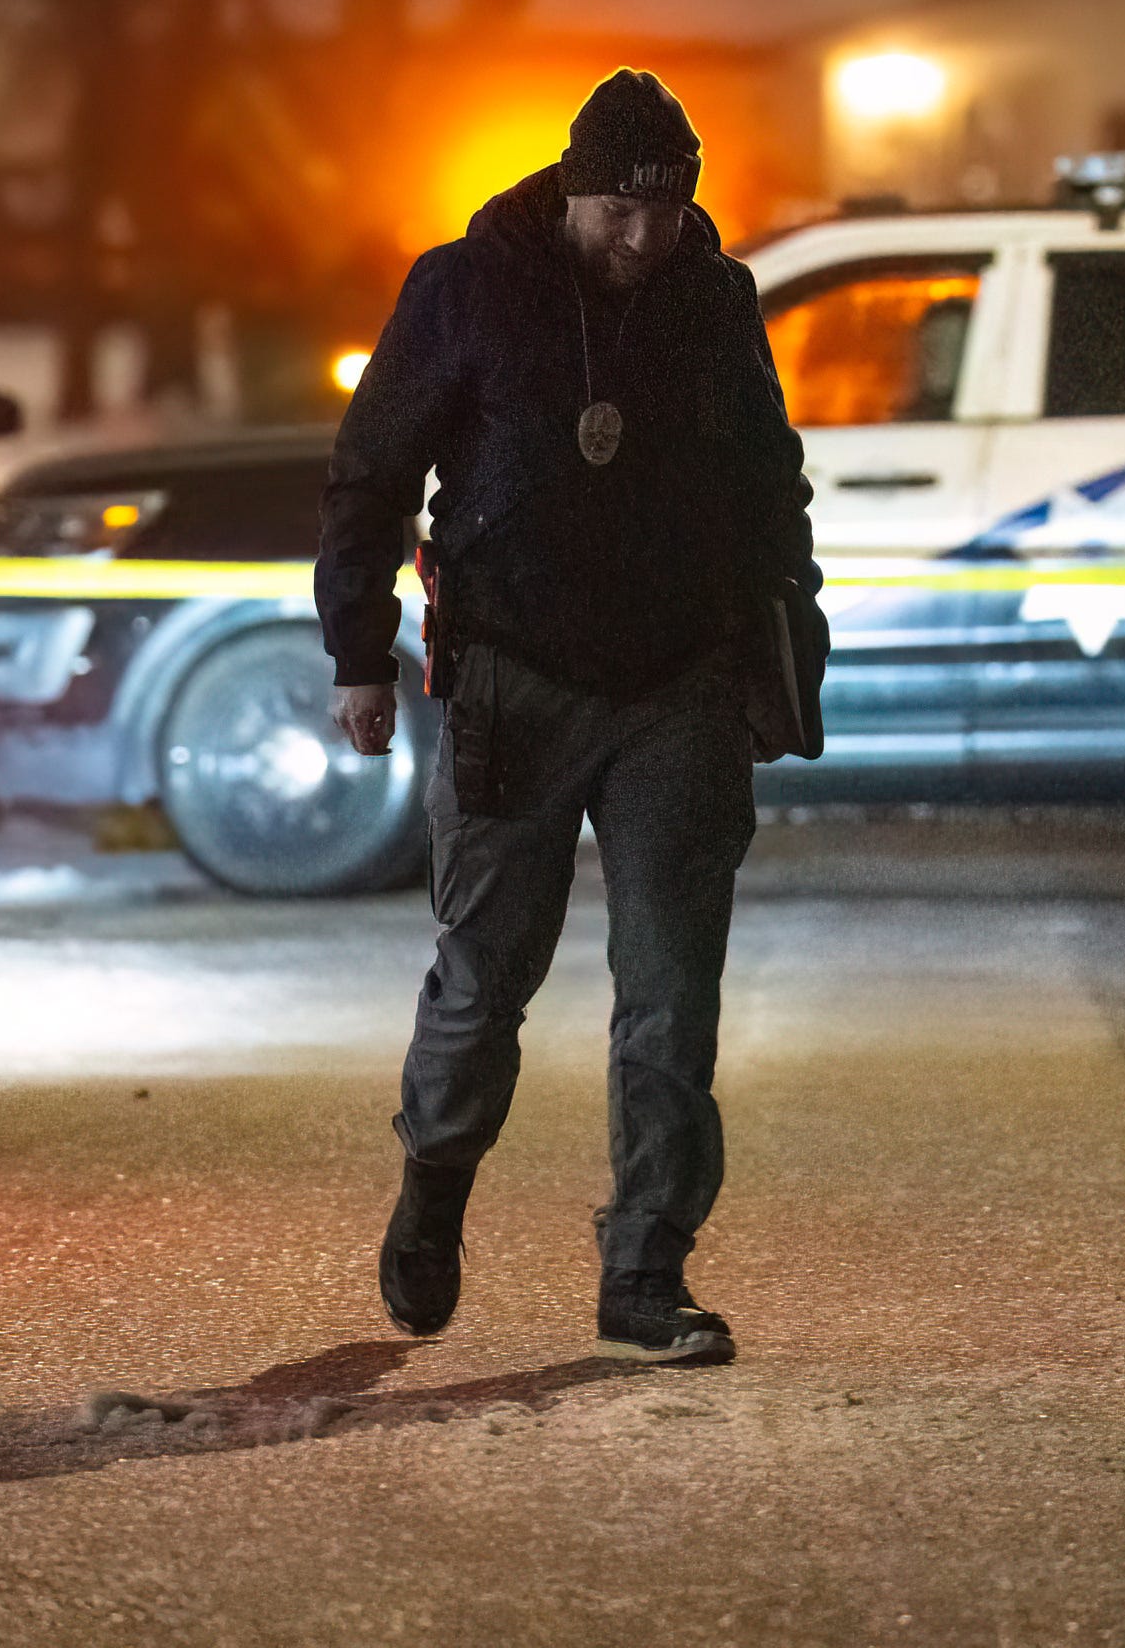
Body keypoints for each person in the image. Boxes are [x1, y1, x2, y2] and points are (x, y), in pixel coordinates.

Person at [316, 69, 819, 1365]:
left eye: (666, 211)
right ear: (575, 189)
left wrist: (788, 637)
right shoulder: (467, 289)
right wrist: (358, 656)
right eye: (619, 211)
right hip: (513, 686)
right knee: (482, 983)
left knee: (671, 992)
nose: (642, 238)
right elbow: (372, 473)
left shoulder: (714, 303)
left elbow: (773, 484)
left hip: (679, 693)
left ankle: (647, 1268)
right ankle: (433, 1188)